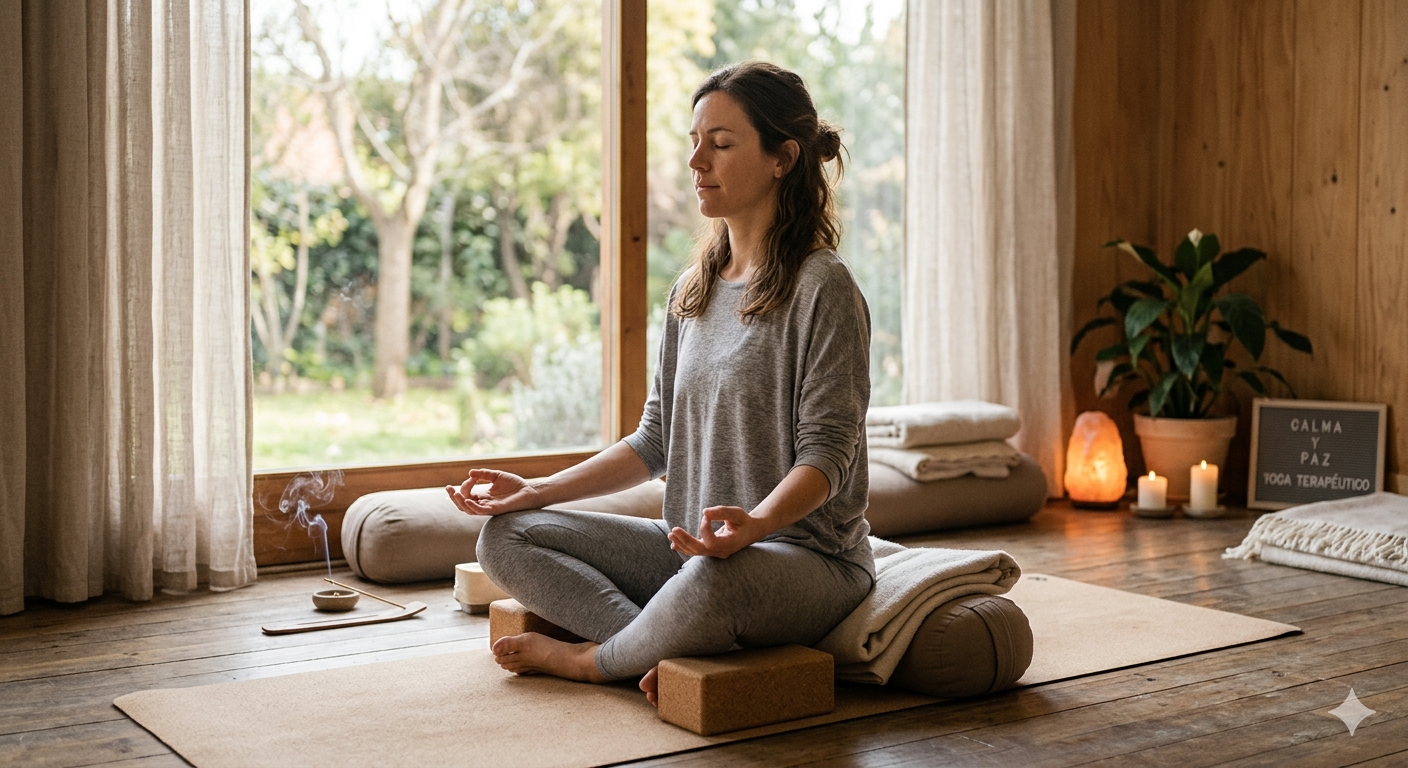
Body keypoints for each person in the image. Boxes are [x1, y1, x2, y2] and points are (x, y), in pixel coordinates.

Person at [446, 60, 873, 705]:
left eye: (721, 144)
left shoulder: (823, 288)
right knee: (507, 536)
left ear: (783, 157)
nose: (697, 161)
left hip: (801, 561)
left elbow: (827, 457)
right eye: (694, 142)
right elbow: (655, 441)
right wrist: (535, 489)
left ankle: (596, 663)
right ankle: (654, 649)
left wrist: (754, 526)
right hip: (689, 553)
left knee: (713, 581)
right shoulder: (692, 291)